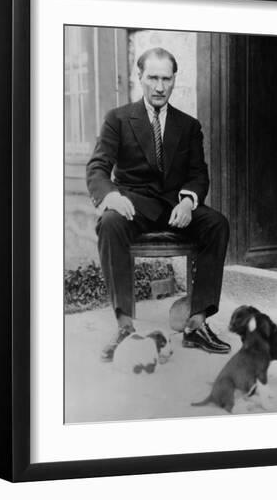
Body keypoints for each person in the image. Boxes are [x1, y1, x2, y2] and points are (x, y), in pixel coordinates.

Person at [86, 47, 230, 360]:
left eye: (166, 79)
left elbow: (198, 175)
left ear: (174, 80)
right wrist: (111, 195)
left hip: (174, 208)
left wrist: (189, 201)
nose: (159, 87)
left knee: (216, 223)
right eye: (153, 78)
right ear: (140, 78)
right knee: (109, 222)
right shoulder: (118, 119)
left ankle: (196, 323)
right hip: (133, 206)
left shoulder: (189, 126)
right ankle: (125, 325)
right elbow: (98, 167)